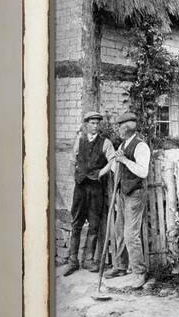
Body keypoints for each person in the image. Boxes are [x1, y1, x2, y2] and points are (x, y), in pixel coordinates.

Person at [63, 111, 115, 276]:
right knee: (76, 223)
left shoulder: (105, 143)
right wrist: (75, 176)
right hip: (80, 188)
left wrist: (101, 173)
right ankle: (73, 260)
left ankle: (88, 260)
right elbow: (73, 160)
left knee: (94, 224)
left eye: (97, 123)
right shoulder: (79, 140)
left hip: (95, 189)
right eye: (92, 123)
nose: (95, 126)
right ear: (86, 124)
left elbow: (113, 160)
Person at [104, 112, 151, 289]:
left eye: (119, 126)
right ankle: (121, 267)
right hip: (123, 193)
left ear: (126, 128)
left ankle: (139, 272)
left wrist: (124, 160)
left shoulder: (141, 147)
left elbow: (142, 172)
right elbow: (118, 170)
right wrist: (116, 161)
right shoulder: (123, 144)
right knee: (118, 230)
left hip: (135, 194)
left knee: (131, 234)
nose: (117, 129)